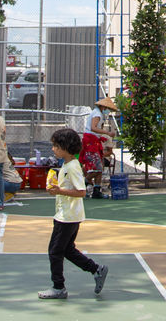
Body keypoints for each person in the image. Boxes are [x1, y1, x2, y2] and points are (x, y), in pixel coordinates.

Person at [38, 128, 107, 300]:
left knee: (54, 251)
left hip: (67, 217)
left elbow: (81, 191)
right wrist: (57, 189)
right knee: (67, 249)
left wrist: (59, 191)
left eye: (55, 146)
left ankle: (58, 287)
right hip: (67, 215)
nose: (53, 149)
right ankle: (96, 269)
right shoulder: (67, 165)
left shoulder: (73, 167)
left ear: (65, 147)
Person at [83, 98, 116, 198]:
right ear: (103, 106)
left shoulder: (98, 113)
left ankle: (96, 190)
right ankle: (84, 183)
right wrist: (107, 133)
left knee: (99, 167)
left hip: (94, 141)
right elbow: (93, 127)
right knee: (97, 168)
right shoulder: (97, 114)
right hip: (90, 142)